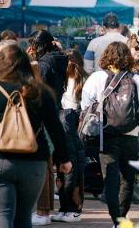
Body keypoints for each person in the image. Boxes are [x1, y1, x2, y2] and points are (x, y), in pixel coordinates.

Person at [0, 44, 72, 228]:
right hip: (34, 162)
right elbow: (55, 128)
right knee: (24, 216)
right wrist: (64, 159)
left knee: (2, 214)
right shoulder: (39, 91)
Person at [81, 42, 139, 227]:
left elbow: (85, 105)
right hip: (131, 134)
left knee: (110, 179)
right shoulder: (137, 79)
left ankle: (117, 220)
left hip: (105, 135)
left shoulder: (96, 77)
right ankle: (121, 216)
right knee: (127, 179)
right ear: (127, 56)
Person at [27, 30, 69, 225]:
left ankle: (43, 212)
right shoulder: (59, 60)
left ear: (37, 46)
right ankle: (44, 210)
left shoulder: (44, 64)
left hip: (42, 116)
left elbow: (37, 89)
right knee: (48, 163)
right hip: (54, 110)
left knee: (44, 163)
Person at [52, 49, 88, 223]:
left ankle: (73, 208)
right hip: (64, 123)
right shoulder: (63, 79)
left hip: (73, 125)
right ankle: (65, 207)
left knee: (72, 166)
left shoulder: (82, 80)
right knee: (63, 165)